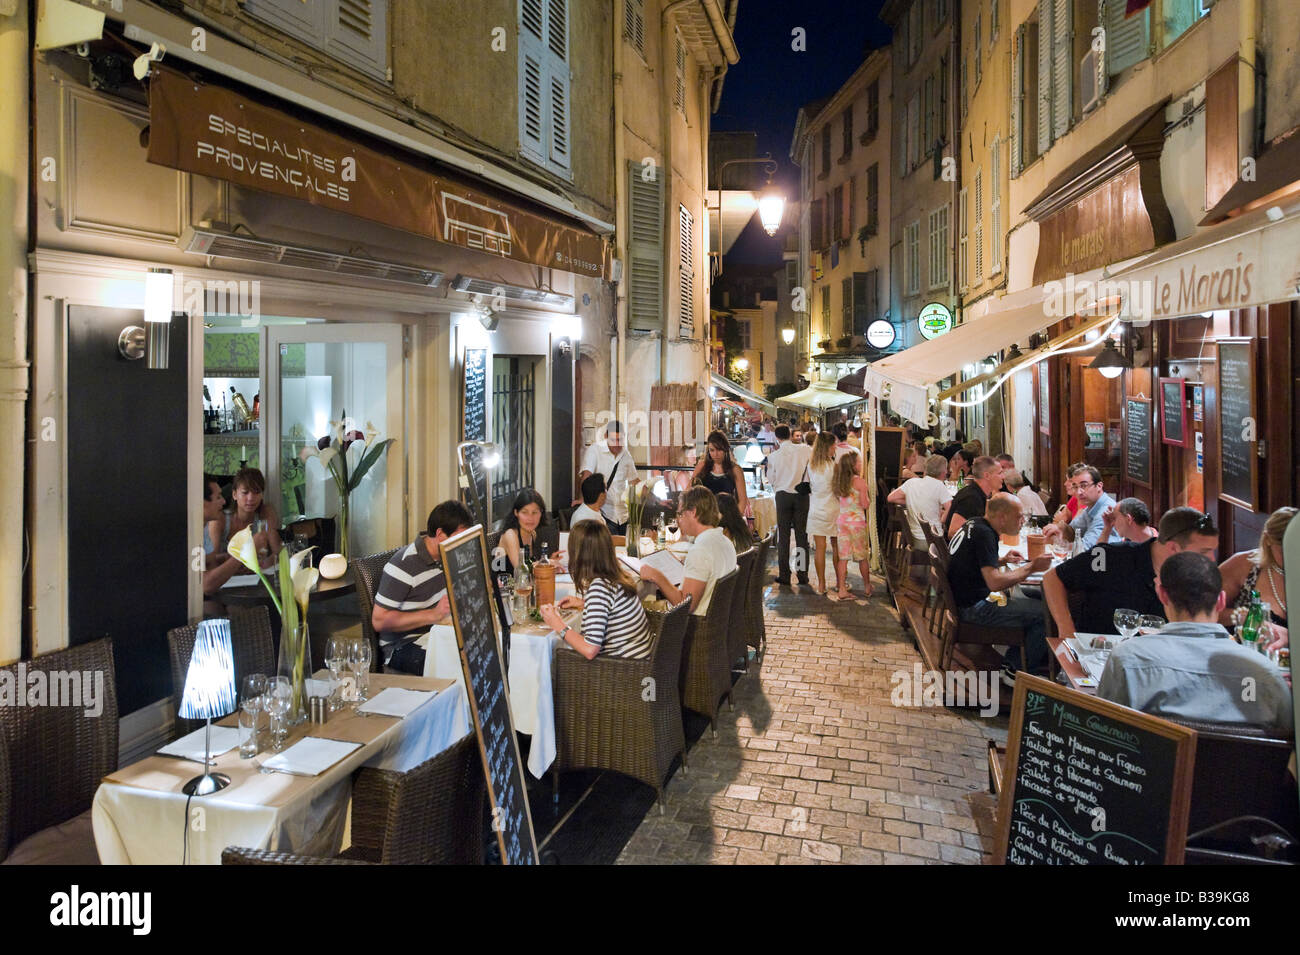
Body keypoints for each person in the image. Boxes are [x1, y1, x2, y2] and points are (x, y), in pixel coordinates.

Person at [1098, 553, 1292, 732]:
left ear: (1162, 595)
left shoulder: (1127, 661)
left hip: (1155, 768)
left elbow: (1102, 732)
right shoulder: (1266, 674)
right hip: (1238, 769)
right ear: (1221, 601)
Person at [1042, 507, 1220, 643]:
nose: (1211, 559)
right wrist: (1066, 630)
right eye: (1204, 552)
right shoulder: (1109, 558)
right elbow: (1052, 578)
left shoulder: (1193, 580)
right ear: (1173, 548)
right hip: (1099, 661)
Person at [946, 493, 1054, 681]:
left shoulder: (975, 523)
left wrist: (1001, 559)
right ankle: (1016, 670)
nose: (1022, 521)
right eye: (1019, 516)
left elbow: (971, 560)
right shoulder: (986, 534)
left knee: (1038, 598)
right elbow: (994, 582)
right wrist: (1032, 567)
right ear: (1002, 517)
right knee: (1045, 615)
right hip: (974, 607)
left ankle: (1016, 660)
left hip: (963, 598)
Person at [372, 500, 473, 674]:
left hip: (438, 635)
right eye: (459, 538)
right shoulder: (404, 565)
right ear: (440, 534)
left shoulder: (446, 555)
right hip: (403, 647)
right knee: (463, 667)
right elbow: (379, 621)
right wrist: (433, 614)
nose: (462, 545)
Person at [539, 521, 654, 660]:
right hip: (639, 661)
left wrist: (556, 623)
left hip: (618, 670)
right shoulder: (617, 577)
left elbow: (590, 649)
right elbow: (611, 612)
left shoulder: (600, 588)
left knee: (556, 659)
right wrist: (585, 603)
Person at [639, 487, 737, 615]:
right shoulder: (725, 541)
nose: (678, 519)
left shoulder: (701, 551)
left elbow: (685, 605)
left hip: (693, 624)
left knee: (637, 606)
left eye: (680, 514)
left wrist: (656, 576)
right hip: (717, 619)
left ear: (693, 512)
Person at [1219, 506, 1294, 644]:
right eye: (1285, 551)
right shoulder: (1243, 565)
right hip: (1245, 657)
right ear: (1268, 540)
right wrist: (1243, 617)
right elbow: (1203, 612)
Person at [765, 425, 813, 588]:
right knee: (801, 535)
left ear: (777, 438)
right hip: (801, 496)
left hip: (783, 496)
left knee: (783, 536)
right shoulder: (806, 450)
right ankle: (802, 575)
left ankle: (784, 575)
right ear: (790, 435)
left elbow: (771, 479)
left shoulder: (774, 456)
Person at [579, 419, 640, 534]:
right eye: (614, 440)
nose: (617, 444)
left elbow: (635, 481)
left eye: (620, 440)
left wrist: (656, 500)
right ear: (606, 436)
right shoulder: (595, 450)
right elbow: (587, 477)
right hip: (604, 514)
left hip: (623, 515)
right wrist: (584, 501)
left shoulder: (626, 455)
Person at [1041, 465, 1120, 552]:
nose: (1079, 492)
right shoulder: (1091, 506)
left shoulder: (1106, 511)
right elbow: (1073, 531)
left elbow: (1086, 548)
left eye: (1084, 486)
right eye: (1075, 486)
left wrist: (1058, 544)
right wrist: (1059, 528)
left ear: (1099, 486)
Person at [888, 453, 953, 549]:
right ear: (943, 471)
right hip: (933, 541)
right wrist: (942, 519)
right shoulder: (939, 485)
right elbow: (951, 507)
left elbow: (891, 498)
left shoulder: (911, 482)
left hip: (913, 538)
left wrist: (912, 501)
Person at [831, 450, 872, 602]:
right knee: (862, 557)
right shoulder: (860, 482)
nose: (861, 464)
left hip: (842, 522)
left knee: (843, 557)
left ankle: (842, 589)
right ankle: (867, 587)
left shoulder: (839, 482)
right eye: (859, 462)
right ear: (853, 466)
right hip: (857, 524)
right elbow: (865, 504)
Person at [806, 430, 842, 596]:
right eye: (834, 445)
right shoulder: (833, 467)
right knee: (836, 547)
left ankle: (821, 584)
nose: (835, 448)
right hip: (833, 510)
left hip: (816, 510)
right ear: (828, 447)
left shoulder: (811, 465)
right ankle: (839, 582)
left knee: (820, 548)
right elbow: (838, 490)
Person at [226, 467, 282, 564]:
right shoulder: (221, 520)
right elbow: (210, 560)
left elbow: (278, 551)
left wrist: (265, 564)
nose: (251, 498)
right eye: (245, 492)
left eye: (256, 492)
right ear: (234, 494)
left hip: (256, 575)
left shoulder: (265, 513)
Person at [499, 488, 561, 576]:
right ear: (516, 512)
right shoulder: (510, 534)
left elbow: (531, 571)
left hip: (524, 586)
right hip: (505, 588)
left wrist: (549, 563)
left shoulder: (533, 534)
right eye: (524, 512)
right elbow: (521, 571)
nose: (530, 518)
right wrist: (545, 563)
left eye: (534, 512)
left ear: (541, 513)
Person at [690, 430, 749, 516]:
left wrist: (733, 521)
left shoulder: (736, 469)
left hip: (728, 516)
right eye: (712, 450)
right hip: (704, 517)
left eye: (719, 450)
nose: (715, 454)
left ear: (725, 449)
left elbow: (743, 501)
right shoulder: (701, 466)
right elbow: (688, 491)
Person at [944, 455, 1003, 538]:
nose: (1003, 477)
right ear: (987, 476)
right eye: (1000, 473)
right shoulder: (971, 498)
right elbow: (953, 533)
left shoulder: (976, 493)